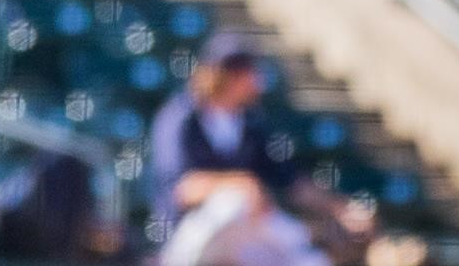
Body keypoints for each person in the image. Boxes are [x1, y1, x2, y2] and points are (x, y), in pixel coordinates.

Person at [150, 34, 374, 266]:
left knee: (311, 259)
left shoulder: (251, 122)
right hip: (188, 240)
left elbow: (291, 181)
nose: (255, 79)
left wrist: (340, 208)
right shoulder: (181, 118)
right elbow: (182, 190)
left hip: (244, 235)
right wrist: (241, 183)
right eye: (244, 71)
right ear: (222, 74)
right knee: (233, 203)